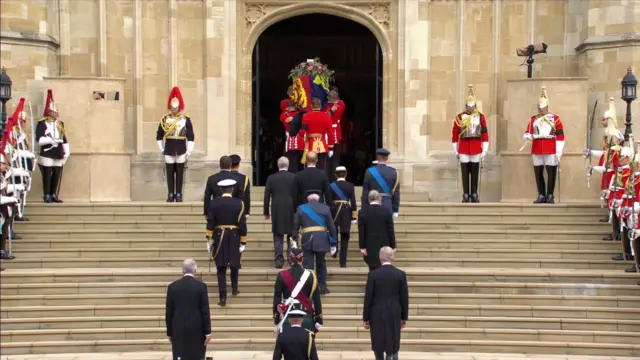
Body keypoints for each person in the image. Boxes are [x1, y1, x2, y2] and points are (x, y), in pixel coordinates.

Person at [206, 179, 248, 306]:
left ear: (220, 190)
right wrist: (243, 241)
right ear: (232, 190)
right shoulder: (239, 203)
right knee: (235, 263)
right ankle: (234, 288)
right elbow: (242, 224)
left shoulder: (214, 203)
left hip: (219, 235)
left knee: (221, 267)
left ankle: (222, 297)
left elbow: (210, 222)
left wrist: (208, 238)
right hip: (234, 235)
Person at [363, 247, 409, 360]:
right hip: (394, 311)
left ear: (380, 258)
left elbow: (368, 297)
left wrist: (366, 318)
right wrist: (404, 317)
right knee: (392, 341)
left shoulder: (373, 275)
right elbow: (404, 298)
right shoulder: (400, 274)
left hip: (377, 312)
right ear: (393, 257)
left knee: (378, 341)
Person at [523, 87, 565, 204]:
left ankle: (550, 195)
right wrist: (527, 136)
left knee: (551, 172)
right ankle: (541, 194)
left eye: (544, 108)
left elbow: (560, 135)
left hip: (550, 147)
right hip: (537, 147)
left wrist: (558, 150)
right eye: (540, 108)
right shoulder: (533, 119)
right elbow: (528, 131)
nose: (541, 110)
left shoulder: (555, 119)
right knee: (538, 172)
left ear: (547, 107)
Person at [585, 97, 624, 223]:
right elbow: (604, 153)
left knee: (612, 197)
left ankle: (613, 221)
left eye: (604, 119)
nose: (602, 121)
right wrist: (591, 152)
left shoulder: (614, 137)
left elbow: (609, 163)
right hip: (609, 170)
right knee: (608, 197)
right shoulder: (608, 135)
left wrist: (594, 168)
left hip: (613, 173)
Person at [292, 190, 337, 294]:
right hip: (322, 239)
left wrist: (294, 240)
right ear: (318, 199)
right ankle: (322, 286)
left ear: (308, 199)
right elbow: (332, 227)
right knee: (321, 263)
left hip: (307, 240)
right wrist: (333, 243)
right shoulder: (325, 208)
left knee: (308, 264)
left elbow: (295, 226)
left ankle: (310, 287)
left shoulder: (301, 209)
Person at [165, 259, 211, 360]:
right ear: (195, 270)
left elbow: (169, 312)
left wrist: (169, 332)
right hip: (197, 328)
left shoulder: (172, 287)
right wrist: (208, 332)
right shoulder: (201, 287)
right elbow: (205, 311)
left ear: (182, 270)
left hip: (178, 328)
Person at [273, 246, 324, 334]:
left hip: (288, 315)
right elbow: (316, 299)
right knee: (308, 345)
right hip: (306, 315)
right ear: (302, 259)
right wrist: (319, 318)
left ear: (290, 259)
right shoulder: (311, 275)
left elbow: (277, 298)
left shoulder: (281, 275)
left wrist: (276, 318)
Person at [156, 86, 195, 203]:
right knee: (169, 173)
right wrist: (161, 149)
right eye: (172, 107)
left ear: (179, 107)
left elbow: (191, 137)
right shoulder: (164, 120)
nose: (174, 109)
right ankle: (170, 193)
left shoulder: (186, 119)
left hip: (181, 148)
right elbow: (159, 136)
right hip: (169, 148)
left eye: (176, 107)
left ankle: (178, 193)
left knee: (180, 173)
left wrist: (189, 151)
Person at [452, 84, 489, 203]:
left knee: (474, 171)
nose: (470, 108)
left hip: (475, 146)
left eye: (472, 106)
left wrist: (485, 149)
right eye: (469, 106)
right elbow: (455, 134)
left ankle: (474, 193)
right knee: (464, 171)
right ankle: (465, 194)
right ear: (466, 106)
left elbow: (484, 133)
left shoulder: (480, 117)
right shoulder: (459, 117)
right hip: (463, 147)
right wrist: (455, 149)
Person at [36, 89, 70, 203]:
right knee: (47, 173)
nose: (56, 114)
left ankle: (54, 194)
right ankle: (46, 195)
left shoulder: (60, 124)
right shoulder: (42, 124)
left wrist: (66, 151)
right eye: (53, 112)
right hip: (47, 151)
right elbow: (40, 139)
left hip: (58, 151)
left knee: (56, 173)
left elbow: (64, 138)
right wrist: (51, 140)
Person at [264, 157, 296, 268]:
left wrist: (266, 212)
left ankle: (278, 261)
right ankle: (292, 259)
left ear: (278, 165)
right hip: (292, 208)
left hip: (277, 209)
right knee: (292, 235)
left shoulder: (271, 178)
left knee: (278, 236)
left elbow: (267, 196)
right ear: (288, 165)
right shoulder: (294, 177)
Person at [359, 190, 396, 271]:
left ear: (369, 199)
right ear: (379, 199)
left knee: (372, 268)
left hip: (369, 245)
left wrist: (362, 246)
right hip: (384, 243)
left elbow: (361, 231)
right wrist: (393, 245)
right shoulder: (386, 211)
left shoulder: (362, 212)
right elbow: (390, 230)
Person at [299, 98, 336, 176]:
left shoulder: (306, 116)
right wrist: (330, 148)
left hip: (310, 145)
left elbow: (302, 132)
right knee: (321, 168)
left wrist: (301, 133)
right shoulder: (326, 116)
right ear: (321, 106)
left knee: (309, 167)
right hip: (322, 145)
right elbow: (330, 133)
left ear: (311, 106)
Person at [604, 145, 634, 242]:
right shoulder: (620, 169)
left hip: (623, 199)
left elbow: (627, 189)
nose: (618, 159)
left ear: (626, 158)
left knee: (624, 225)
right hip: (617, 198)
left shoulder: (627, 171)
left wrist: (620, 200)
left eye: (621, 157)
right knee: (617, 220)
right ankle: (616, 234)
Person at [330, 166, 357, 267]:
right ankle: (343, 262)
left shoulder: (331, 185)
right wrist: (354, 217)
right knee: (345, 236)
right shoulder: (350, 186)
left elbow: (328, 201)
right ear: (346, 174)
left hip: (334, 211)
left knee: (334, 232)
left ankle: (334, 250)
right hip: (346, 211)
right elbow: (353, 202)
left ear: (335, 175)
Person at [362, 148, 400, 218]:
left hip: (372, 205)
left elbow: (365, 192)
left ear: (378, 157)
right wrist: (395, 210)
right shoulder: (394, 172)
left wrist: (364, 207)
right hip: (387, 205)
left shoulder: (369, 171)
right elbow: (396, 194)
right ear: (387, 158)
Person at [323, 88, 346, 181]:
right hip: (329, 134)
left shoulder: (329, 106)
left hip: (331, 134)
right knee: (328, 161)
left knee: (333, 160)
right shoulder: (338, 105)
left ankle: (333, 180)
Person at [280, 101, 305, 173]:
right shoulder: (297, 115)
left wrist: (293, 117)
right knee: (296, 162)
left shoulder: (292, 115)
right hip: (296, 140)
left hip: (295, 140)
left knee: (295, 162)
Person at [230, 154, 250, 219]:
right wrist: (247, 212)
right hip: (240, 209)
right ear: (238, 165)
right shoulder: (244, 178)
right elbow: (247, 196)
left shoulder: (225, 177)